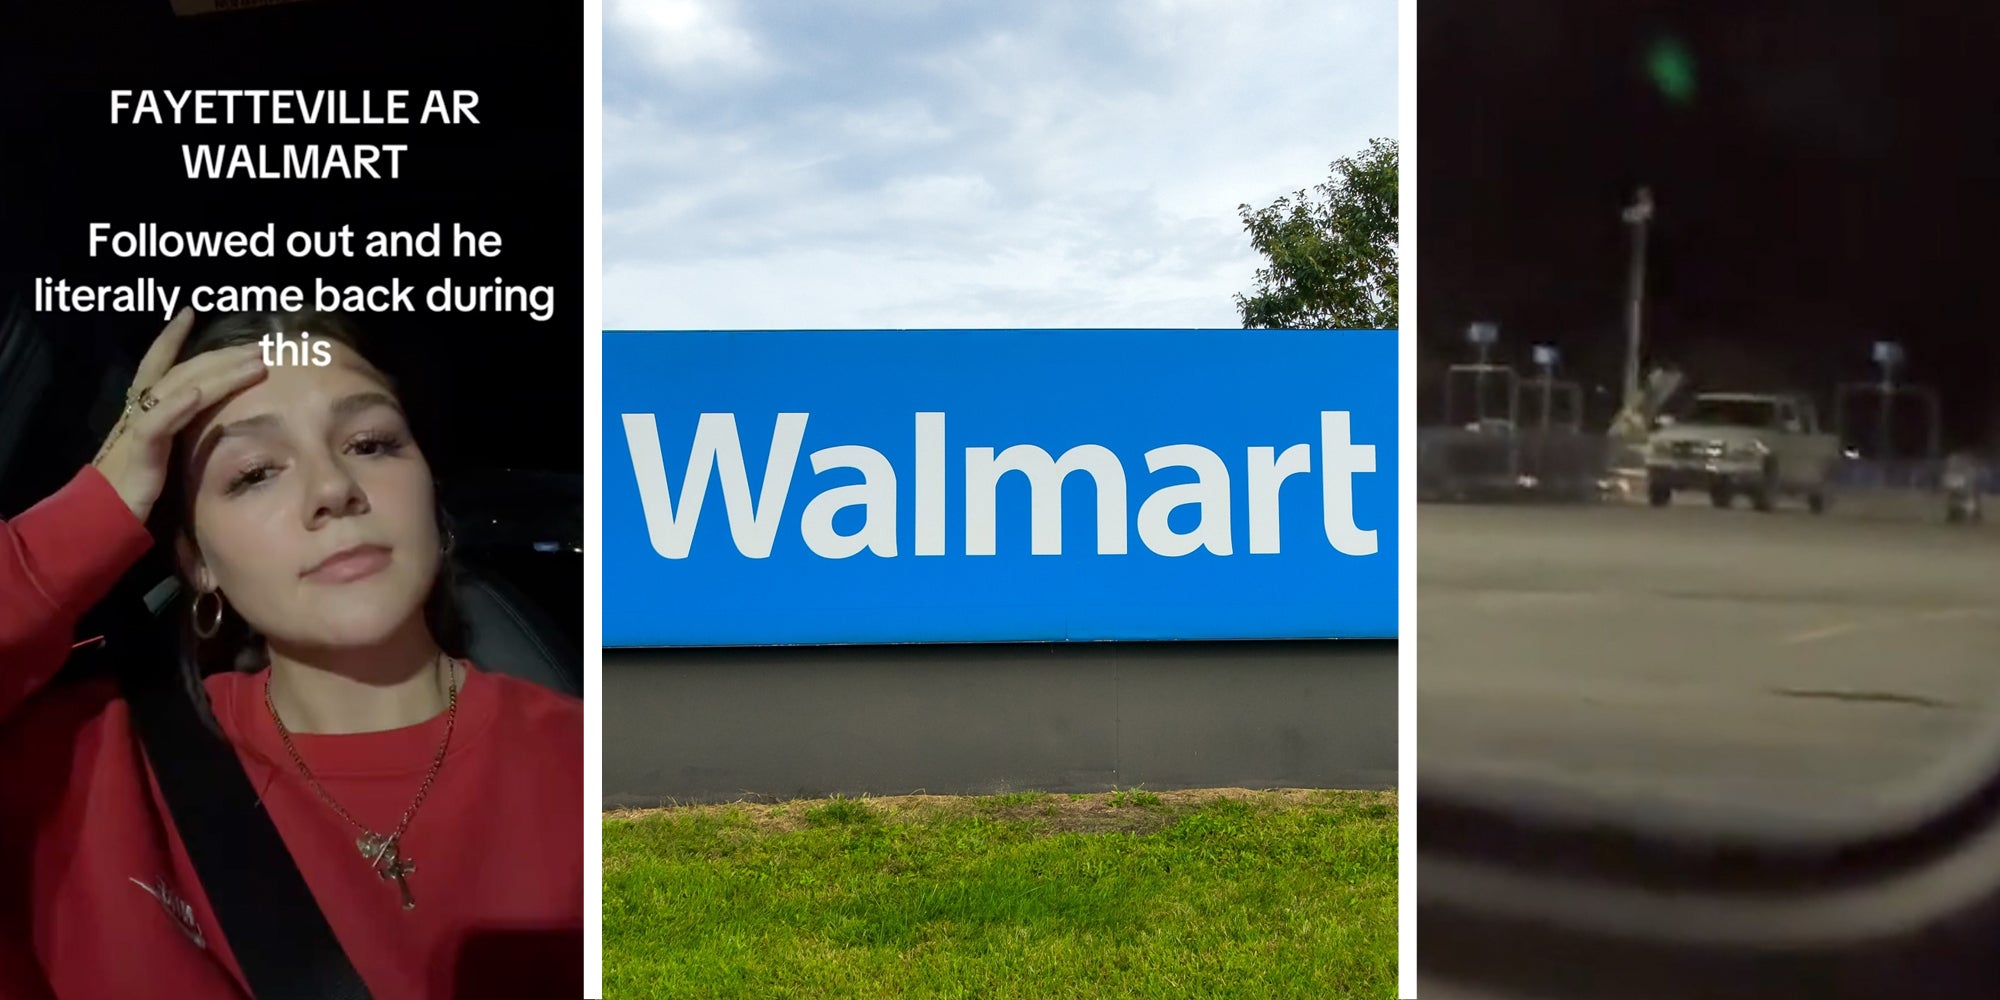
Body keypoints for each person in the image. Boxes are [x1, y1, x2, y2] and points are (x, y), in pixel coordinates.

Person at [0, 310, 582, 999]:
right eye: (252, 474)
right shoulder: (79, 768)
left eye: (370, 443)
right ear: (195, 563)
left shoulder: (589, 766)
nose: (334, 489)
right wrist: (97, 502)